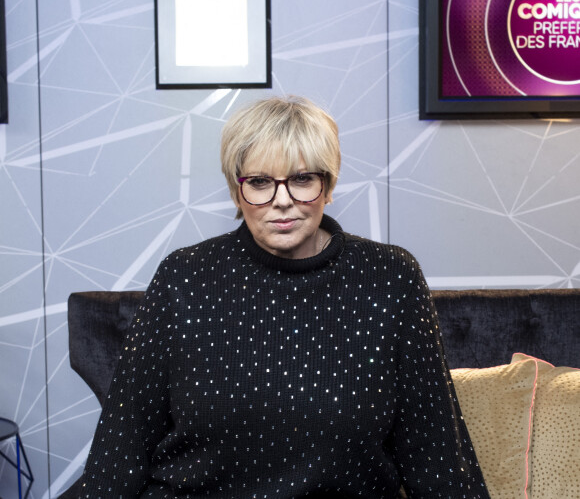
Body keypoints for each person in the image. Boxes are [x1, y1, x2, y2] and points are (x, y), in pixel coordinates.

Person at [80, 95, 490, 498]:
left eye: (301, 179)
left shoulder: (390, 277)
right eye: (259, 182)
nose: (282, 200)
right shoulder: (185, 277)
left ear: (327, 186)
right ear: (236, 191)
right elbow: (122, 445)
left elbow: (435, 451)